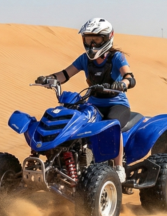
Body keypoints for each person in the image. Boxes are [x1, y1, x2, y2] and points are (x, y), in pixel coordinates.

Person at [36, 18, 135, 183]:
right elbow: (65, 74)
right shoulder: (84, 59)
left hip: (116, 104)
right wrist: (49, 79)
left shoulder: (116, 57)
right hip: (93, 104)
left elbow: (129, 77)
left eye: (96, 40)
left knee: (112, 125)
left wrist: (122, 84)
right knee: (73, 123)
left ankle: (118, 168)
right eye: (88, 40)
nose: (92, 44)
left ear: (107, 38)